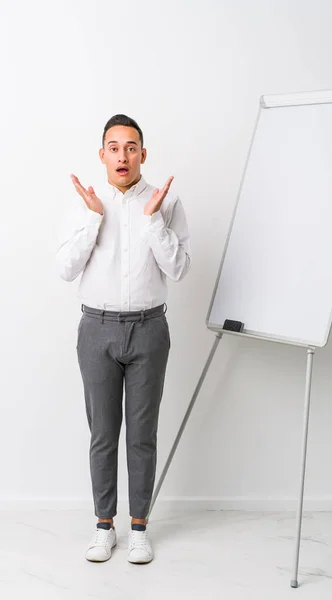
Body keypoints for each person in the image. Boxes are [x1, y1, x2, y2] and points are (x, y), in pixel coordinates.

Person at [56, 114, 191, 563]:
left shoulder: (163, 201)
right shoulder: (85, 204)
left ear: (143, 154)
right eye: (114, 147)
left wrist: (154, 222)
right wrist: (94, 220)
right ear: (102, 155)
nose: (122, 155)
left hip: (150, 329)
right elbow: (65, 268)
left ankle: (139, 528)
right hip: (96, 330)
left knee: (142, 434)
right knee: (103, 435)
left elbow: (179, 269)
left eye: (131, 147)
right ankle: (103, 526)